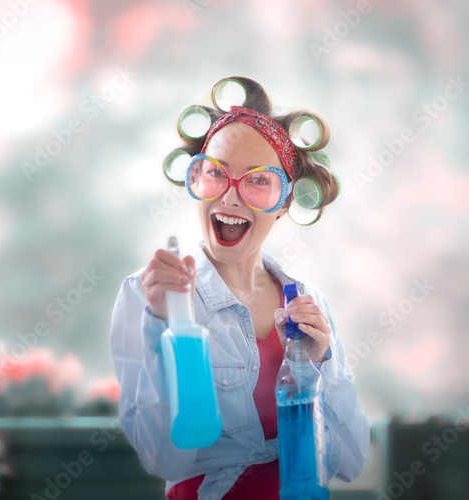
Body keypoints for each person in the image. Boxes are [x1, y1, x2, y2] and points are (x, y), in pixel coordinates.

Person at [110, 76, 370, 500]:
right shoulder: (149, 296)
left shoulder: (307, 303)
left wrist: (321, 366)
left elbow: (351, 462)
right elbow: (163, 460)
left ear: (285, 203)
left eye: (258, 181)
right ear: (196, 180)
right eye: (216, 173)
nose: (231, 198)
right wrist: (163, 329)